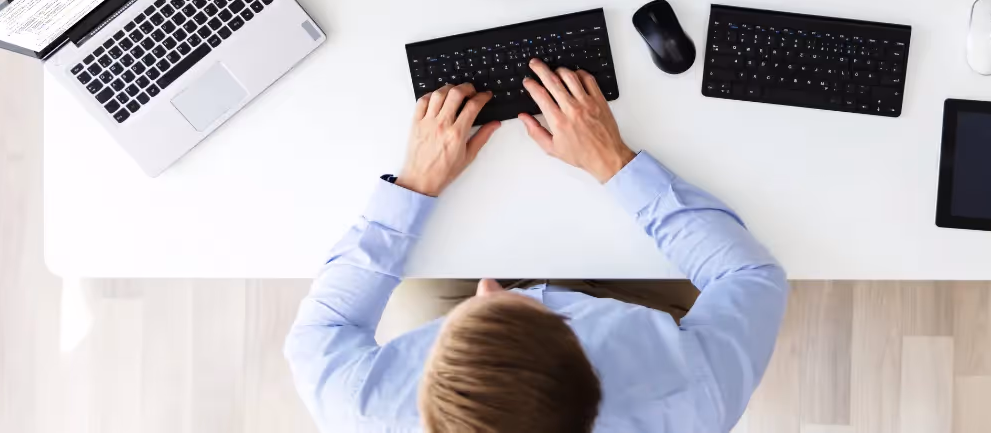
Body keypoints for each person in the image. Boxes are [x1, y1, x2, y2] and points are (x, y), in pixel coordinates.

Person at [285, 59, 787, 433]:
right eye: (514, 306)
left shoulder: (369, 410)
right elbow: (749, 277)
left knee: (416, 294)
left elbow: (321, 332)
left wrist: (414, 186)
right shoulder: (690, 399)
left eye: (479, 313)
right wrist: (613, 160)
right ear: (586, 358)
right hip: (642, 305)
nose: (490, 285)